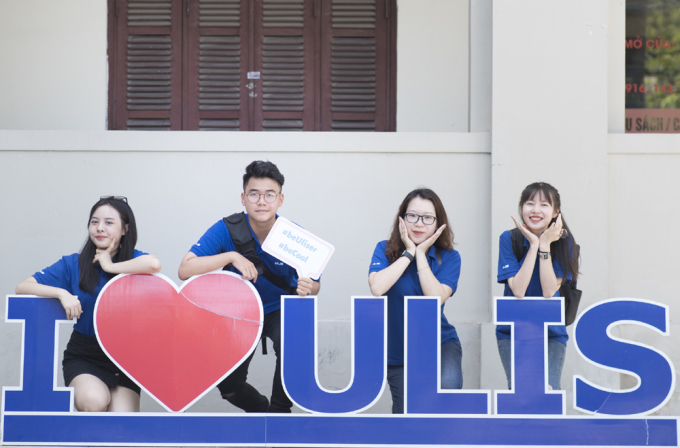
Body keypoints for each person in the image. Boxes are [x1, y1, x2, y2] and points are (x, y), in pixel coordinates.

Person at [178, 160, 320, 413]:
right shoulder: (227, 228)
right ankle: (262, 410)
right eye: (254, 194)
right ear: (243, 198)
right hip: (239, 311)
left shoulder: (293, 235)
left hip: (280, 308)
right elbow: (185, 269)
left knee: (295, 343)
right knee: (229, 387)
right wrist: (231, 257)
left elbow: (316, 285)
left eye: (269, 195)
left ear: (280, 199)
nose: (262, 201)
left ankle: (279, 414)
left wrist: (309, 287)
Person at [15, 196, 162, 412]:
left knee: (122, 426)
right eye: (94, 222)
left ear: (125, 229)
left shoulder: (133, 261)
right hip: (85, 354)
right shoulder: (73, 263)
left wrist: (110, 266)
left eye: (109, 223)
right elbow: (23, 286)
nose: (100, 228)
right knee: (94, 402)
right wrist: (61, 293)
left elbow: (154, 264)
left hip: (125, 357)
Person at [368, 188, 462, 414]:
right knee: (407, 416)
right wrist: (408, 253)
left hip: (440, 344)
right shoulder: (385, 250)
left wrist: (422, 255)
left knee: (446, 395)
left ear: (439, 223)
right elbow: (377, 287)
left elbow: (436, 298)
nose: (419, 224)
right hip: (398, 350)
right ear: (402, 218)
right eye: (412, 216)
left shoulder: (449, 257)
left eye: (427, 218)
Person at [496, 181, 580, 390]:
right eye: (529, 203)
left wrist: (544, 245)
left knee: (548, 393)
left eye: (544, 205)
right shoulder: (509, 239)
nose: (535, 210)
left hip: (551, 333)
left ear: (555, 212)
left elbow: (549, 291)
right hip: (513, 331)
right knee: (521, 393)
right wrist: (534, 244)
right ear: (521, 207)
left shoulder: (565, 243)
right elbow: (518, 290)